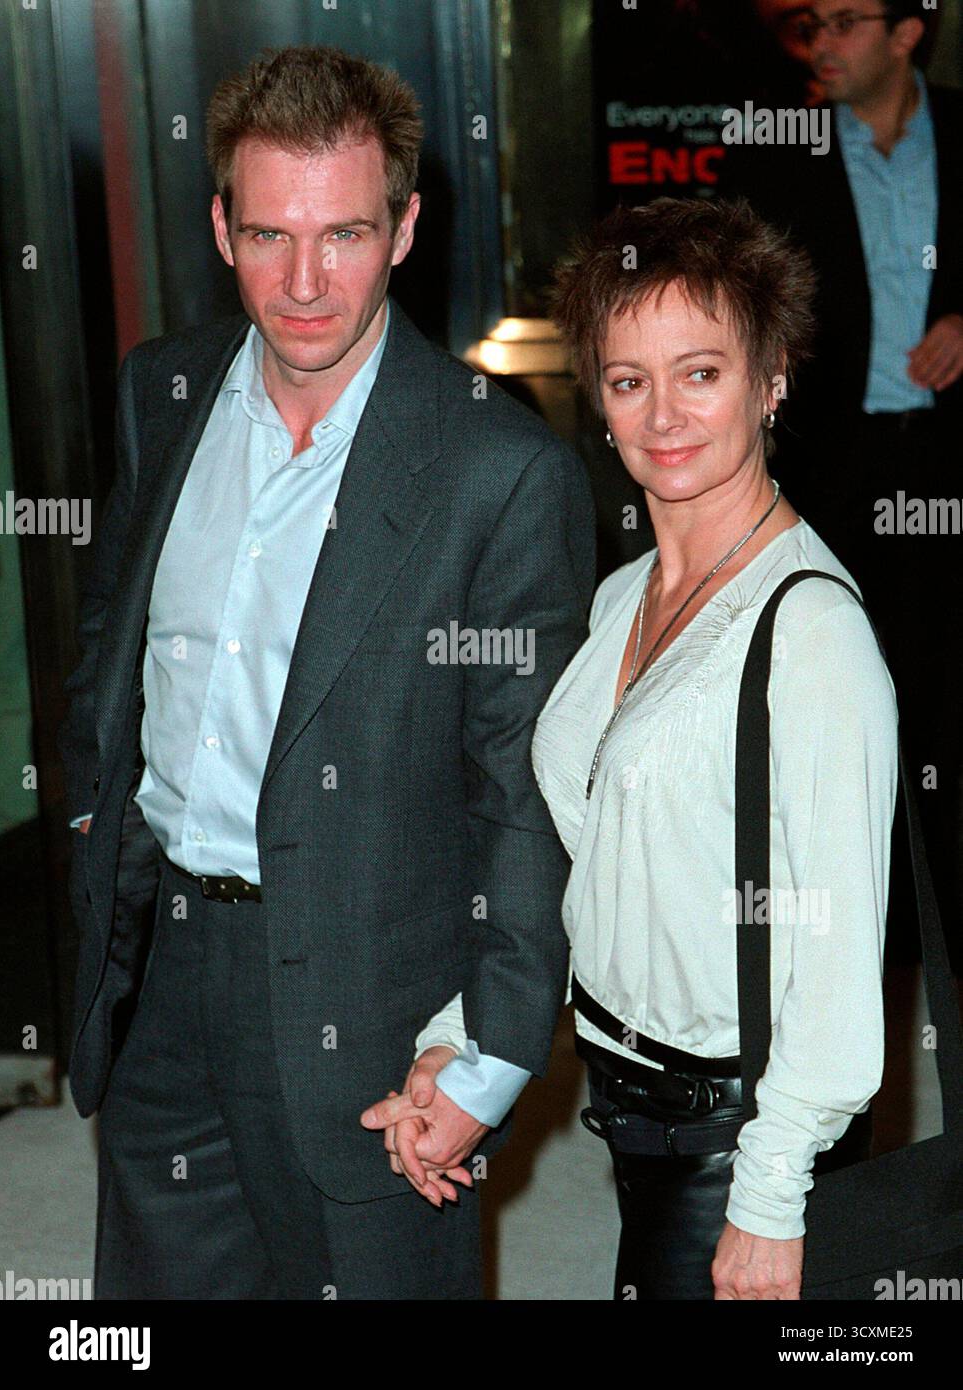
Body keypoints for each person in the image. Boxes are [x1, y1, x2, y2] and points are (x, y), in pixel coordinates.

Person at [58, 43, 596, 1300]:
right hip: (158, 973)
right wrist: (96, 833)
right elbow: (113, 652)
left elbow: (527, 799)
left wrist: (493, 1054)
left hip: (373, 1005)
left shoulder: (498, 473)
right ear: (218, 225)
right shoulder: (162, 392)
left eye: (345, 234)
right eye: (268, 236)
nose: (304, 283)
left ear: (405, 229)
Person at [530, 196, 898, 1299]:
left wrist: (770, 1194)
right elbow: (595, 858)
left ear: (771, 376)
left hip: (733, 1145)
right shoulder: (621, 598)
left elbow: (838, 964)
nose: (662, 415)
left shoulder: (811, 634)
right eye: (628, 378)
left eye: (701, 371)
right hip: (629, 1113)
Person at [720, 0, 963, 970]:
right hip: (833, 467)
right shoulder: (777, 147)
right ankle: (859, 932)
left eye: (845, 21)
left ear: (908, 31)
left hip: (946, 460)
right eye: (807, 22)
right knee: (839, 699)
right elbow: (740, 303)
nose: (819, 42)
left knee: (944, 698)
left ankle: (939, 929)